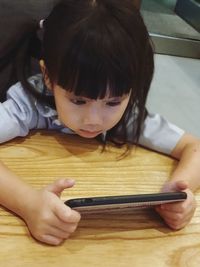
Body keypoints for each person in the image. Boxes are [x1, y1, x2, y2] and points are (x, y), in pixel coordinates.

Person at [0, 0, 199, 246]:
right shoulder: (28, 104)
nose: (93, 120)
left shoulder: (128, 117)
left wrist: (179, 193)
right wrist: (27, 202)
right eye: (78, 100)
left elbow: (194, 148)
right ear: (48, 78)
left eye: (113, 102)